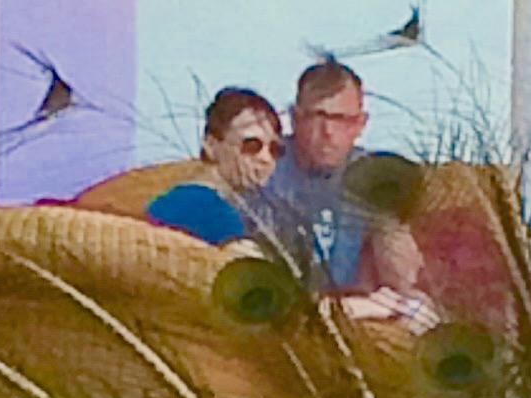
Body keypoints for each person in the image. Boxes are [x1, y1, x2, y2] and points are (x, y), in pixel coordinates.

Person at [253, 58, 422, 298]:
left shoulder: (373, 174)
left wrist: (390, 233)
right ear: (295, 118)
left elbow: (401, 276)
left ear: (361, 124)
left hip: (354, 305)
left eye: (342, 119)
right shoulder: (265, 164)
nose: (328, 132)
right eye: (318, 116)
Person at [145, 86, 281, 248]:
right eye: (251, 145)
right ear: (211, 145)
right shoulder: (215, 213)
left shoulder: (167, 201)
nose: (266, 158)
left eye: (275, 150)